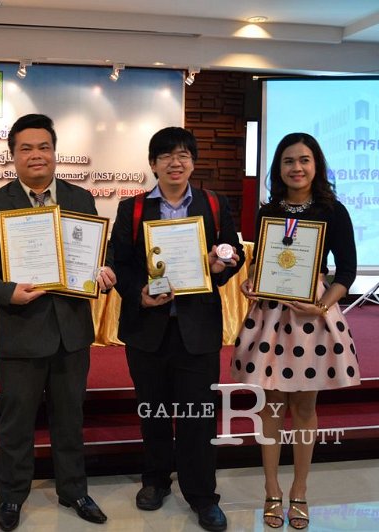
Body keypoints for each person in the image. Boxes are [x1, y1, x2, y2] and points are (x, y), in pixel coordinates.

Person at [0, 113, 116, 531]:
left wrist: (104, 270)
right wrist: (5, 290)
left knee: (70, 419)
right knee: (16, 422)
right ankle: (11, 496)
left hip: (71, 333)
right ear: (13, 155)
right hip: (21, 330)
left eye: (44, 146)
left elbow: (101, 252)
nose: (36, 155)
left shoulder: (81, 199)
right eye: (26, 148)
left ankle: (74, 490)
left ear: (55, 152)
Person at [109, 127, 243, 532]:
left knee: (198, 416)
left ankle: (202, 496)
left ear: (193, 163)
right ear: (153, 164)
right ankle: (155, 480)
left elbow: (232, 253)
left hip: (197, 330)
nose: (175, 162)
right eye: (166, 155)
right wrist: (139, 293)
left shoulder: (214, 204)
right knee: (152, 411)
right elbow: (121, 263)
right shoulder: (132, 209)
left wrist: (220, 267)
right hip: (147, 329)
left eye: (183, 155)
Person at [231, 132, 360, 530]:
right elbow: (261, 263)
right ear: (279, 168)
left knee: (304, 408)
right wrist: (251, 281)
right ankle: (272, 489)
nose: (297, 168)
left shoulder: (333, 211)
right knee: (271, 407)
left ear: (316, 165)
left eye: (304, 160)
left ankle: (300, 490)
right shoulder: (268, 210)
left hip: (311, 319)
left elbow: (348, 270)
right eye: (289, 161)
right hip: (271, 315)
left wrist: (321, 305)